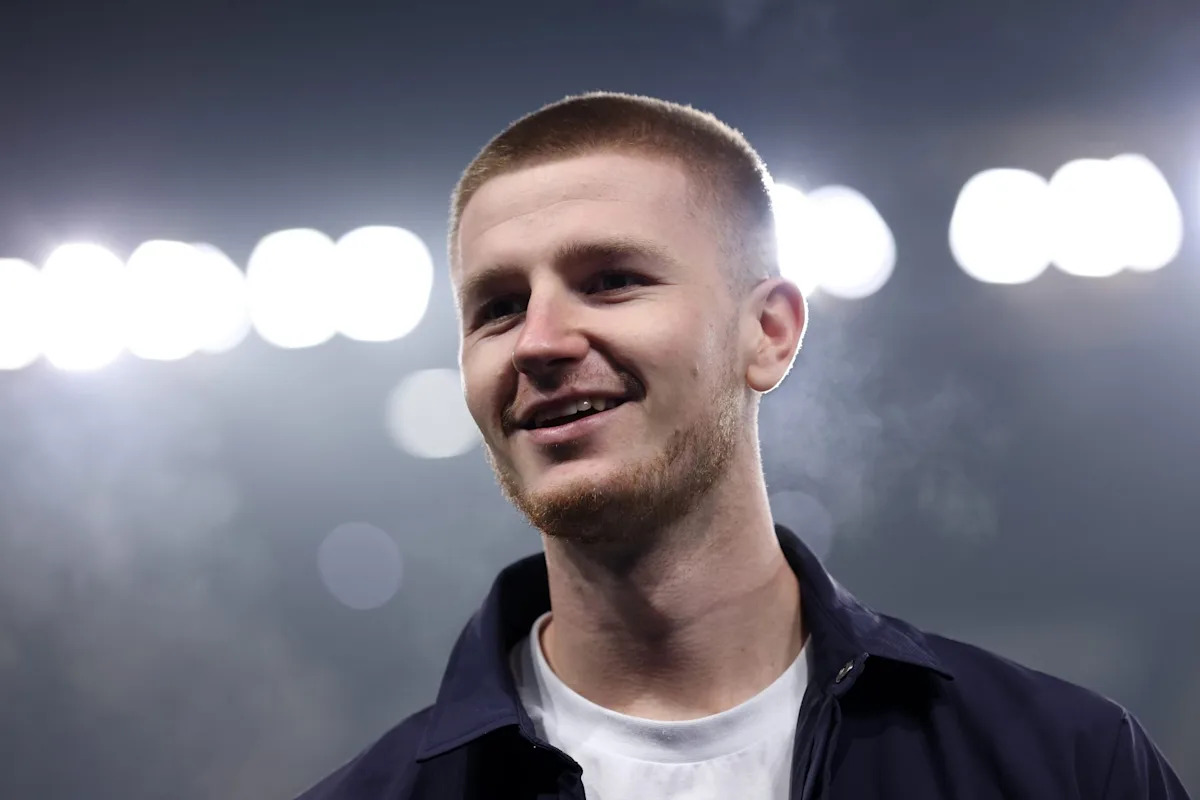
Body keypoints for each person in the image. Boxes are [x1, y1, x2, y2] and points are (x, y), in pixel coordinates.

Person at [295, 92, 1189, 800]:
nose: (539, 341)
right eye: (497, 308)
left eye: (611, 281)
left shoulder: (1067, 764)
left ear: (769, 333)